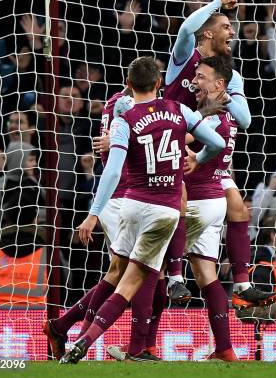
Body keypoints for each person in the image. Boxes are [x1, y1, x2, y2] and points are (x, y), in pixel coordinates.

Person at [59, 57, 225, 364]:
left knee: (117, 273)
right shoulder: (180, 111)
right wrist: (199, 159)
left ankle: (74, 332)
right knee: (133, 280)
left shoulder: (125, 118)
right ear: (160, 83)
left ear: (129, 84)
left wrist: (93, 213)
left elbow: (111, 171)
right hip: (164, 210)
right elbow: (216, 142)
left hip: (130, 206)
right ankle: (102, 341)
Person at [160, 0, 276, 310]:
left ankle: (242, 282)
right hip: (171, 151)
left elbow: (246, 119)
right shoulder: (185, 58)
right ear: (209, 32)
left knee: (238, 207)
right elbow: (186, 31)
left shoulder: (229, 75)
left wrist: (221, 96)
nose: (232, 32)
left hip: (207, 156)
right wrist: (216, 4)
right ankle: (173, 277)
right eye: (226, 26)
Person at [43, 90, 135, 360]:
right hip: (122, 198)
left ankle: (65, 330)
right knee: (138, 273)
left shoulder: (115, 103)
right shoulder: (127, 104)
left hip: (119, 199)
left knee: (118, 273)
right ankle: (136, 346)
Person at [183, 56, 243, 361]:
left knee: (142, 267)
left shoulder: (208, 117)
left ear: (220, 84)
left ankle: (140, 347)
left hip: (194, 202)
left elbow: (177, 139)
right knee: (206, 274)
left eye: (202, 77)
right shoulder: (229, 114)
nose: (196, 82)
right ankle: (224, 349)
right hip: (215, 199)